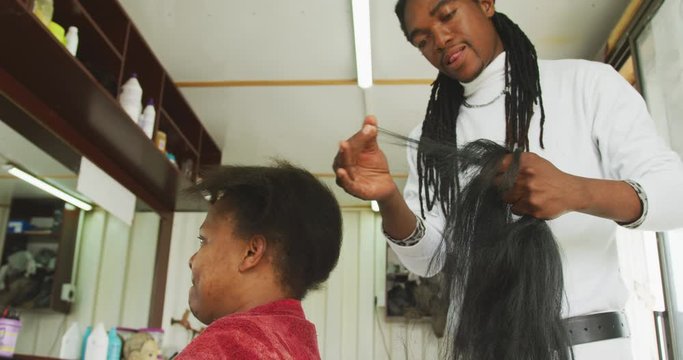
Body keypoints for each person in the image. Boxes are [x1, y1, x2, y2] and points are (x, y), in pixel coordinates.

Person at [333, 0, 683, 358]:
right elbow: (431, 258)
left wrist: (575, 192)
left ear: (486, 3)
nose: (438, 38)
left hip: (591, 346)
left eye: (446, 14)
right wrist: (388, 197)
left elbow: (674, 195)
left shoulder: (586, 84)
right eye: (421, 40)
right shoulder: (432, 135)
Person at [174, 162, 343, 360]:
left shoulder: (224, 348)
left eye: (204, 240)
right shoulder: (297, 346)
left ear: (251, 252)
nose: (192, 260)